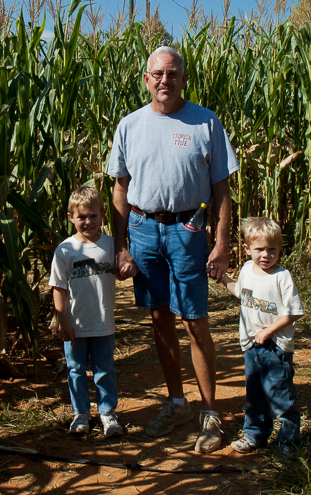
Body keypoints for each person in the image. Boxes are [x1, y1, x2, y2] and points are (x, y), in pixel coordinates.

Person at [107, 45, 239, 453]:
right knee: (160, 318)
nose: (166, 80)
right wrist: (121, 247)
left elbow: (221, 189)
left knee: (195, 321)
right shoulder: (129, 125)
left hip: (188, 230)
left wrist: (220, 244)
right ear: (146, 79)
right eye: (158, 74)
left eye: (173, 73)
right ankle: (177, 402)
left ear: (183, 78)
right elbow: (120, 189)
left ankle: (211, 413)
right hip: (144, 230)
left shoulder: (206, 122)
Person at [216, 217, 304, 455]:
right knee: (254, 394)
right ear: (247, 249)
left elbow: (294, 312)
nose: (266, 255)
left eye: (271, 249)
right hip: (251, 346)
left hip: (276, 347)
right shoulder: (246, 270)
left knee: (281, 397)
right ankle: (255, 436)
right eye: (259, 249)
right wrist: (224, 279)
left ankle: (289, 442)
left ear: (280, 249)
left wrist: (268, 331)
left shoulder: (282, 277)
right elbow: (241, 294)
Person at [49, 187, 123, 437]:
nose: (88, 222)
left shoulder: (111, 246)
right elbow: (58, 288)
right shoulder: (65, 250)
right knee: (76, 370)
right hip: (75, 325)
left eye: (93, 216)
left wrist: (129, 270)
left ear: (103, 214)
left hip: (103, 323)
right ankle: (80, 413)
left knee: (105, 370)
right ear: (70, 217)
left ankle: (107, 413)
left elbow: (125, 272)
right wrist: (63, 322)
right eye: (81, 217)